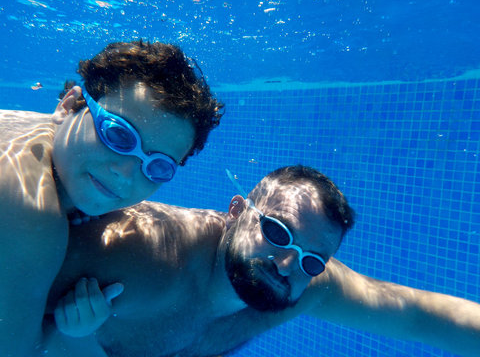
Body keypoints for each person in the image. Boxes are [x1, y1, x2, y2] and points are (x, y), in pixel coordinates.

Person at [43, 165, 480, 357]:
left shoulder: (306, 285)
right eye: (277, 232)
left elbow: (417, 315)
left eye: (313, 260)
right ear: (235, 213)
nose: (289, 265)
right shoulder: (137, 254)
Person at [0, 40, 223, 357]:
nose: (126, 172)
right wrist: (75, 336)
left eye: (156, 166)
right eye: (118, 134)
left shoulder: (26, 130)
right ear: (68, 106)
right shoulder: (31, 213)